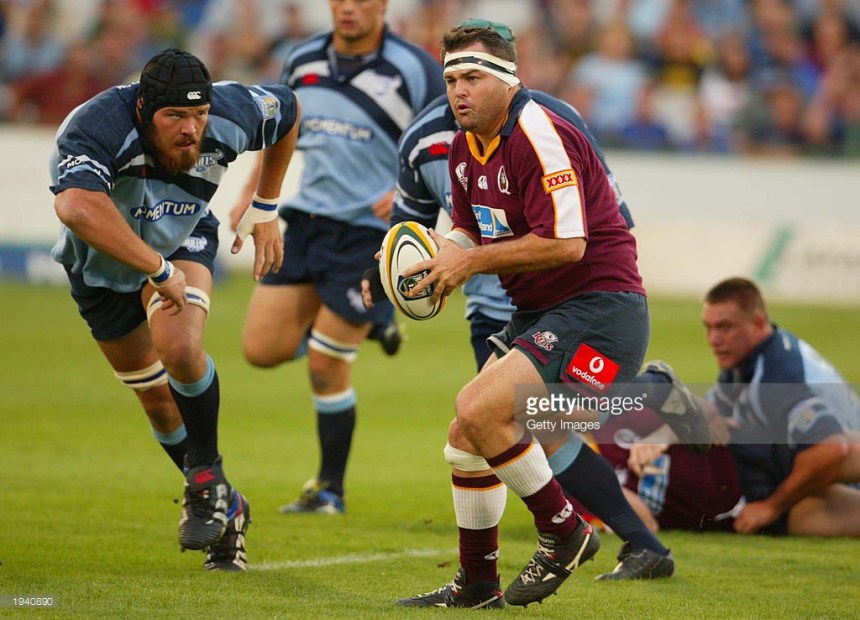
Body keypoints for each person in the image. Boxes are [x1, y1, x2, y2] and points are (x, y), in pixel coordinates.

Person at [377, 18, 690, 591]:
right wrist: (439, 262)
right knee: (469, 436)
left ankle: (565, 531)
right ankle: (476, 586)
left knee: (481, 407)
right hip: (543, 314)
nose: (459, 92)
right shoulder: (465, 144)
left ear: (507, 78)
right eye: (451, 80)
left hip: (598, 309)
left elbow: (569, 243)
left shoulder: (538, 131)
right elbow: (469, 229)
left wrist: (467, 264)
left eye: (472, 77)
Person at [50, 48, 300, 571]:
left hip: (184, 238)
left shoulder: (230, 114)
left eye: (199, 116)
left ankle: (206, 476)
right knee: (159, 405)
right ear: (144, 109)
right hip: (102, 266)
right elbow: (75, 206)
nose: (192, 130)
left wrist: (266, 204)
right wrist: (156, 269)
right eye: (176, 117)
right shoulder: (97, 124)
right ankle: (226, 504)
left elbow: (288, 111)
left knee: (182, 346)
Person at [230, 0, 445, 515]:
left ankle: (329, 489)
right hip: (307, 223)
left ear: (383, 5)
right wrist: (252, 196)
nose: (349, 9)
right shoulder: (300, 58)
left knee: (327, 365)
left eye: (362, 0)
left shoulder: (415, 68)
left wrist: (411, 193)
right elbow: (277, 130)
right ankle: (371, 321)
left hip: (370, 235)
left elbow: (448, 138)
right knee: (260, 349)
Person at [630, 277, 860, 537]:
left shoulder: (775, 377)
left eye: (725, 327)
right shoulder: (748, 361)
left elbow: (833, 449)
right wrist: (665, 433)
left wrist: (770, 507)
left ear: (758, 323)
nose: (714, 339)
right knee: (803, 515)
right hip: (806, 461)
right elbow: (712, 408)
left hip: (833, 460)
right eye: (709, 327)